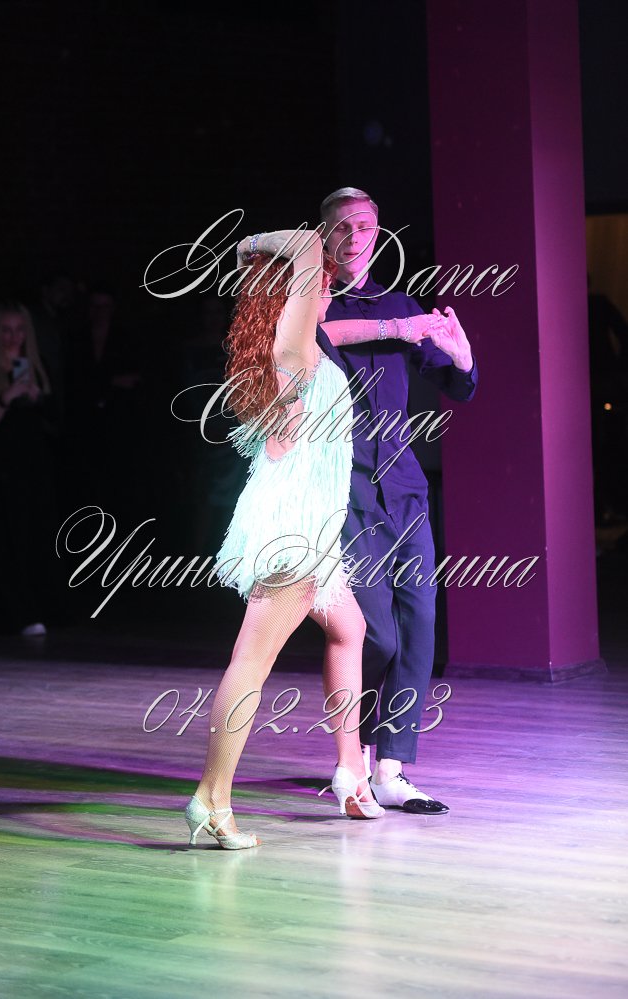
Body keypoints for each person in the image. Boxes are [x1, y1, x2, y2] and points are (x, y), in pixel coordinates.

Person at [184, 228, 449, 849]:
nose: (328, 288)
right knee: (251, 660)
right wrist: (255, 243)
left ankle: (350, 769)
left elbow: (333, 314)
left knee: (349, 628)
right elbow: (306, 245)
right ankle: (211, 798)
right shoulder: (294, 348)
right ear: (294, 292)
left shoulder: (302, 346)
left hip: (316, 530)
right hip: (294, 532)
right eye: (320, 282)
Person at [316, 187, 478, 814]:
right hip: (347, 487)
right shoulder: (311, 302)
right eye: (344, 226)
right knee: (375, 635)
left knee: (420, 625)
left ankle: (390, 767)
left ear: (379, 234)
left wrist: (463, 358)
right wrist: (397, 329)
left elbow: (455, 383)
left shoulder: (401, 304)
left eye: (366, 225)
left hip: (404, 486)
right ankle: (352, 754)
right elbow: (322, 336)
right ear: (325, 236)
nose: (356, 236)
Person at [0, 301, 59, 636]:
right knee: (10, 534)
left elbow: (52, 419)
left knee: (36, 531)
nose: (13, 337)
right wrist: (8, 396)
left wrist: (36, 397)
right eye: (7, 331)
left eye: (19, 330)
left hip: (35, 460)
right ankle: (15, 610)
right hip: (5, 463)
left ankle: (40, 605)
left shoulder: (35, 366)